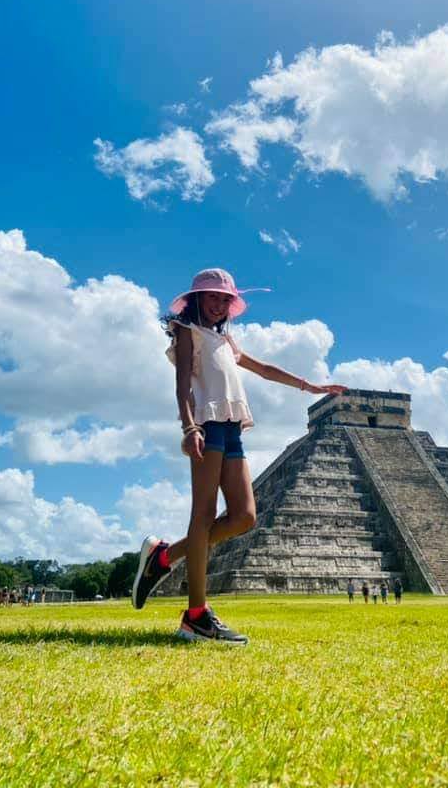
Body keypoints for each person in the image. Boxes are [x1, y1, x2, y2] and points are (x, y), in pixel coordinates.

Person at [131, 268, 346, 645]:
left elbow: (262, 369)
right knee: (203, 514)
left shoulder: (226, 340)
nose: (219, 304)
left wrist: (309, 386)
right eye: (212, 297)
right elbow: (182, 383)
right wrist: (188, 427)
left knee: (244, 516)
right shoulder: (187, 332)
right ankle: (195, 615)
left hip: (232, 429)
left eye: (225, 299)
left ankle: (164, 558)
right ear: (196, 299)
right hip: (207, 424)